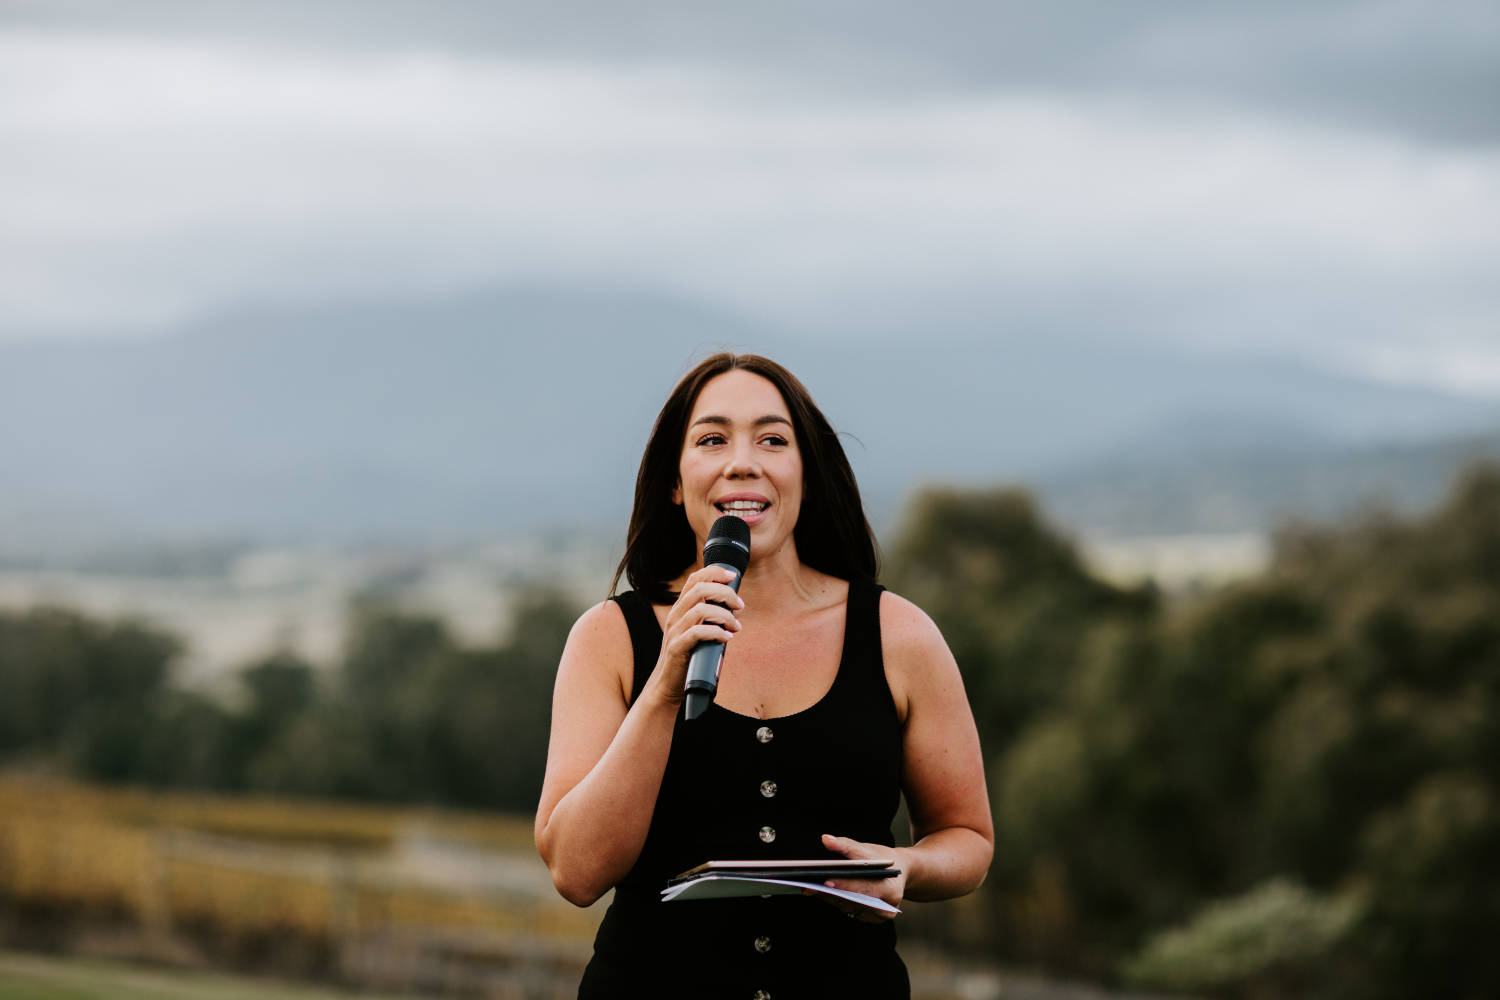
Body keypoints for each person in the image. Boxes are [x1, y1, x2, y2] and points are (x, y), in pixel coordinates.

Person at [535, 353, 993, 999]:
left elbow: (967, 838)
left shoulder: (899, 633)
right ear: (675, 479)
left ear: (806, 474)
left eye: (773, 440)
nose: (742, 461)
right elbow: (576, 874)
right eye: (713, 439)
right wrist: (667, 679)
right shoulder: (608, 640)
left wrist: (905, 869)